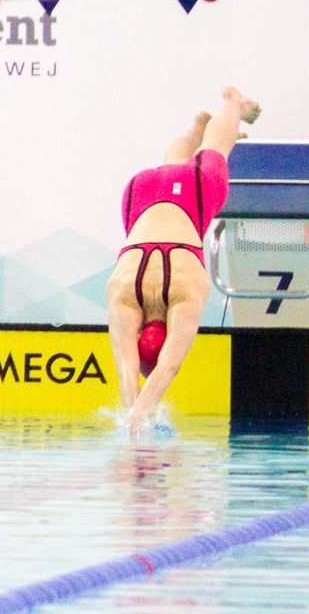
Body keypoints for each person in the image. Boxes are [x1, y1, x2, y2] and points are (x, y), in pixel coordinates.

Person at [107, 88, 259, 432]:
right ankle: (196, 129)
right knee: (171, 169)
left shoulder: (185, 296)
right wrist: (135, 415)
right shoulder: (122, 294)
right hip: (142, 190)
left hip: (194, 191)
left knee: (216, 148)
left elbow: (168, 367)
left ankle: (233, 104)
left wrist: (137, 418)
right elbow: (126, 369)